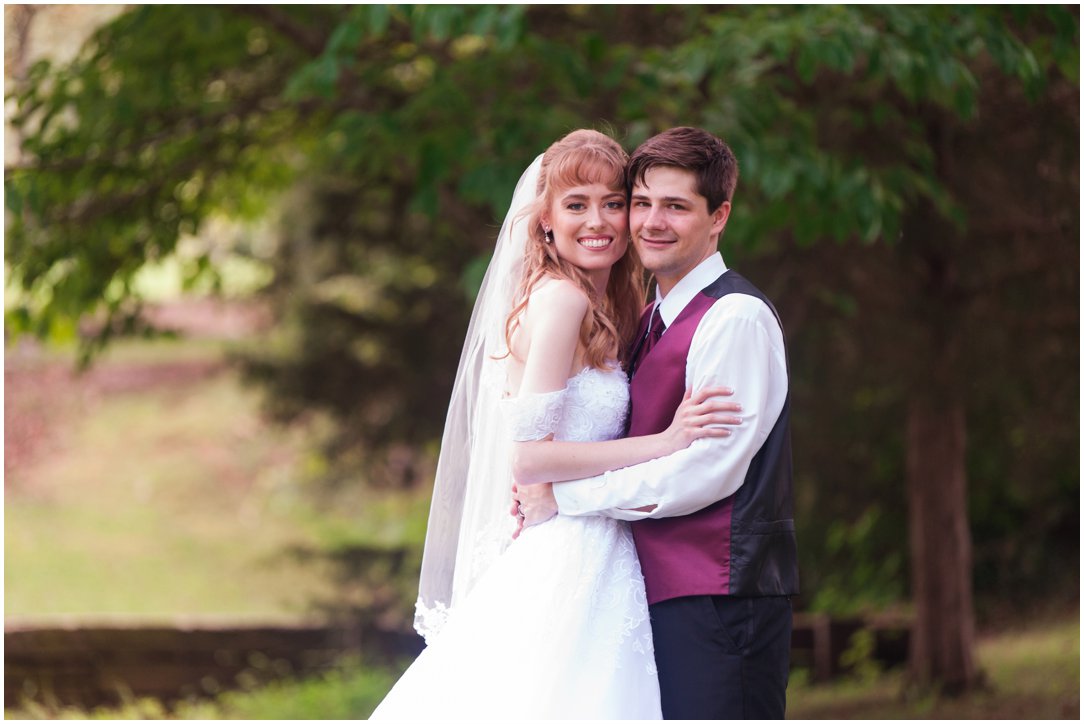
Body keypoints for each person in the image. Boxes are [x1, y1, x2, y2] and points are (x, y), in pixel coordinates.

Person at [370, 129, 741, 720]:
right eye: (576, 205)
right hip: (571, 547)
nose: (598, 221)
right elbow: (531, 459)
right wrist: (667, 441)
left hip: (596, 541)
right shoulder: (563, 301)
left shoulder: (607, 308)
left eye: (613, 203)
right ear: (544, 219)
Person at [515, 126, 798, 719]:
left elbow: (704, 473)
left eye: (675, 206)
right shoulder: (644, 321)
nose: (650, 222)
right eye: (640, 203)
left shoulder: (734, 317)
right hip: (652, 592)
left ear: (718, 217)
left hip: (724, 597)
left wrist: (564, 497)